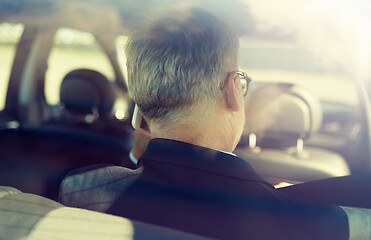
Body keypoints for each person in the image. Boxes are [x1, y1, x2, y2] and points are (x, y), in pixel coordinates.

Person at [60, 8, 371, 239]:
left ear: (143, 106)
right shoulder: (319, 225)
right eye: (242, 82)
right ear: (233, 90)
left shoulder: (78, 194)